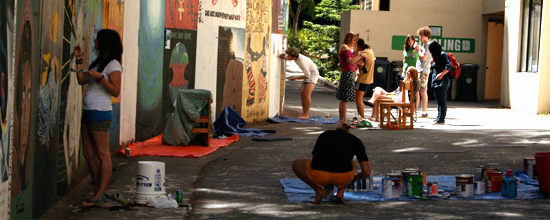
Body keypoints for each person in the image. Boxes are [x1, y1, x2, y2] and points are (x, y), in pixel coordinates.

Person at [73, 29, 123, 208]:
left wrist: (101, 78)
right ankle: (97, 190)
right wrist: (79, 59)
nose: (95, 41)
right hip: (88, 111)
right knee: (88, 153)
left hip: (100, 112)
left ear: (105, 42)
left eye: (98, 39)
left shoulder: (114, 65)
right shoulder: (99, 62)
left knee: (102, 154)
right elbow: (80, 80)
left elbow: (116, 90)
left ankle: (100, 193)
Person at [292, 122, 371, 204]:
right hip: (343, 177)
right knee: (352, 162)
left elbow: (314, 159)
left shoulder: (325, 134)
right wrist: (353, 178)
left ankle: (319, 190)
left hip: (319, 175)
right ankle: (340, 193)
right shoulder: (356, 140)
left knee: (296, 163)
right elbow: (366, 172)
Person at [280, 47, 319, 119]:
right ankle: (304, 113)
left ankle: (306, 114)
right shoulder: (296, 57)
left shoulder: (302, 61)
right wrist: (283, 56)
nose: (287, 56)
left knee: (306, 94)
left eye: (288, 55)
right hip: (307, 74)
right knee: (302, 94)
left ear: (293, 56)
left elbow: (308, 75)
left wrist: (296, 78)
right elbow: (287, 57)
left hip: (312, 75)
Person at [337, 32, 366, 122]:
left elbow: (352, 62)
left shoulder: (348, 48)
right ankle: (343, 120)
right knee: (345, 98)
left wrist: (359, 59)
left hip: (350, 72)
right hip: (347, 73)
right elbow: (349, 61)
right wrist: (360, 56)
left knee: (345, 99)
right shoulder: (344, 47)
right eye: (354, 40)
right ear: (349, 38)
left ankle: (343, 120)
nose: (354, 42)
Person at [428, 41, 452, 125]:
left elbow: (449, 66)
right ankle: (439, 117)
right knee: (439, 101)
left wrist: (442, 74)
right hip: (436, 81)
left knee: (442, 101)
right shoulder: (437, 57)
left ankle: (441, 118)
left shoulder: (443, 55)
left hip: (442, 81)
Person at [354, 38, 375, 120]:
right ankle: (361, 116)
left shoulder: (363, 53)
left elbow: (360, 65)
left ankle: (361, 117)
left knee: (358, 99)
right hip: (368, 78)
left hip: (362, 78)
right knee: (359, 98)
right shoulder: (370, 50)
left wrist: (355, 55)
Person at [415, 27, 432, 118]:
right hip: (423, 70)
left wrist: (418, 50)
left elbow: (424, 57)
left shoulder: (426, 45)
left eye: (422, 35)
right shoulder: (426, 45)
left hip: (423, 70)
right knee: (420, 90)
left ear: (427, 36)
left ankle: (423, 111)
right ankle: (419, 110)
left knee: (422, 90)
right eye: (420, 35)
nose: (420, 37)